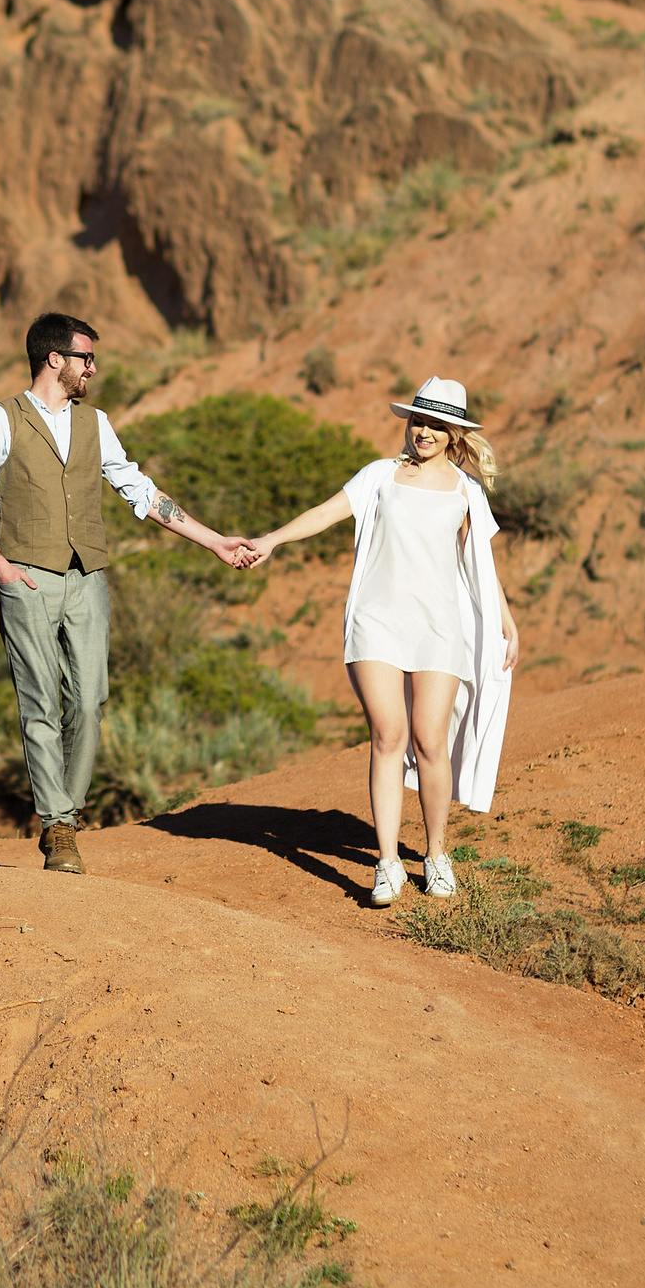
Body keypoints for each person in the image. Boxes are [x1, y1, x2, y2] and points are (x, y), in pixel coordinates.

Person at [0, 313, 253, 874]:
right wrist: (1, 569)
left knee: (88, 702)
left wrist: (213, 542)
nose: (92, 367)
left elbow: (140, 491)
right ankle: (60, 827)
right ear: (54, 360)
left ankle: (65, 814)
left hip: (87, 576)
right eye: (85, 357)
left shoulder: (96, 423)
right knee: (39, 703)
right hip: (26, 577)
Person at [239, 377, 518, 903]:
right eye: (419, 421)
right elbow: (326, 513)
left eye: (437, 425)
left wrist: (504, 617)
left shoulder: (465, 490)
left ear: (453, 432)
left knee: (430, 740)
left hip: (440, 624)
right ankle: (387, 863)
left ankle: (436, 854)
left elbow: (481, 560)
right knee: (388, 736)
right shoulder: (379, 476)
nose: (425, 432)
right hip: (378, 621)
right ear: (408, 422)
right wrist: (272, 539)